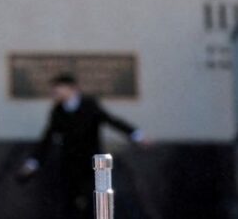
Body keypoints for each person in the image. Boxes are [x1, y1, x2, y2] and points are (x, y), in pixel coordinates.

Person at [18, 73, 145, 219]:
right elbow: (47, 139)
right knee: (69, 203)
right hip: (69, 165)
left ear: (72, 89)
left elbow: (111, 121)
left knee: (93, 202)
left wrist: (136, 135)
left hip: (91, 164)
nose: (55, 93)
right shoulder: (58, 111)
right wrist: (33, 163)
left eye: (59, 89)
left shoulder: (89, 106)